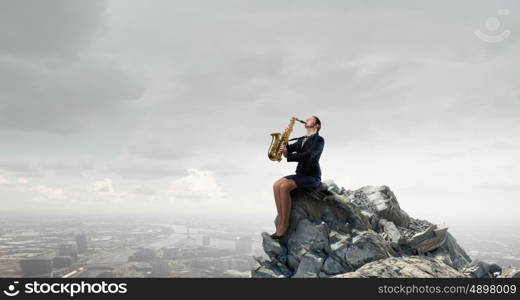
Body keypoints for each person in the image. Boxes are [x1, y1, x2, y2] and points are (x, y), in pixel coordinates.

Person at [271, 115, 324, 239]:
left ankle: (284, 225)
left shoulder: (319, 140)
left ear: (317, 125)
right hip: (300, 174)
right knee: (276, 185)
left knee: (284, 187)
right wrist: (283, 145)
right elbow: (288, 150)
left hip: (312, 176)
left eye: (310, 119)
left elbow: (309, 155)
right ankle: (282, 218)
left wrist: (289, 156)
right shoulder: (302, 140)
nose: (306, 120)